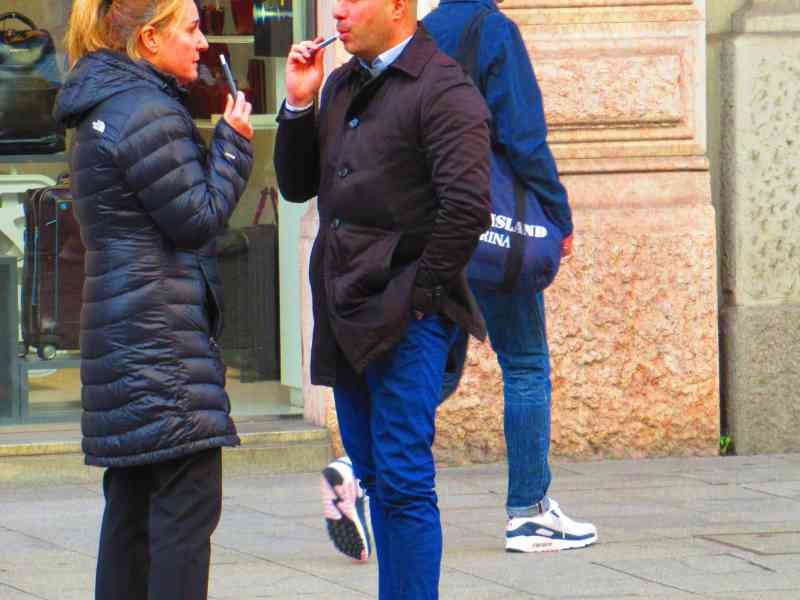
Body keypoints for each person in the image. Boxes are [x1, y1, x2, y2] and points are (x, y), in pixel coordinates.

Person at [273, 0, 492, 594]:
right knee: (373, 476)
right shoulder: (343, 82)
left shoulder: (442, 88)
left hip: (406, 317)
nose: (336, 14)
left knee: (403, 481)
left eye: (351, 1)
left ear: (398, 6)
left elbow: (468, 208)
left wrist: (418, 295)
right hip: (346, 308)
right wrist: (298, 103)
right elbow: (296, 187)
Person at [54, 0, 253, 598]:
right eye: (190, 29)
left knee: (130, 523)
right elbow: (197, 219)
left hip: (125, 341)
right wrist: (235, 144)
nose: (203, 42)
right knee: (181, 524)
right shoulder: (147, 110)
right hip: (163, 347)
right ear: (148, 38)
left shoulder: (104, 105)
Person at [422, 0, 598, 553]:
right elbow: (523, 137)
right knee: (524, 362)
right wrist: (557, 214)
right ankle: (529, 511)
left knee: (436, 366)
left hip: (431, 225)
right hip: (492, 228)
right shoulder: (493, 30)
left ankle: (357, 463)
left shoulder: (422, 32)